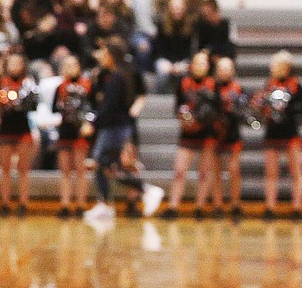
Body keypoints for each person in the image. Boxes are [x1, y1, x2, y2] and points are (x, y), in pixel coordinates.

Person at [83, 38, 162, 222]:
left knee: (106, 166)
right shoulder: (112, 75)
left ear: (111, 55)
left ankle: (147, 189)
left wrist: (92, 124)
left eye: (103, 52)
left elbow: (108, 106)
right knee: (106, 166)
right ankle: (105, 204)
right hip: (114, 127)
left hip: (114, 128)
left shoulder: (117, 77)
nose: (100, 56)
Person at [164, 51, 220, 219]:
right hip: (187, 132)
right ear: (192, 65)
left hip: (207, 132)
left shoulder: (213, 84)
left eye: (204, 64)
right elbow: (177, 107)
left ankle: (199, 207)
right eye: (198, 63)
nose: (201, 67)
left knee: (204, 171)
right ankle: (173, 207)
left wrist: (205, 118)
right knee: (180, 171)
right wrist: (184, 119)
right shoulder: (184, 82)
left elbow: (217, 110)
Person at [37, 55, 94, 217]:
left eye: (73, 65)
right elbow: (55, 109)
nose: (70, 69)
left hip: (80, 131)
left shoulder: (87, 85)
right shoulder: (60, 87)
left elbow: (91, 108)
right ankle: (65, 205)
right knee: (65, 170)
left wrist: (87, 123)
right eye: (67, 66)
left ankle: (81, 205)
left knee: (80, 170)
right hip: (65, 130)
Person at [253, 51, 302, 220]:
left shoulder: (297, 85)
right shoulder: (269, 84)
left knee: (296, 170)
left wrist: (287, 111)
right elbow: (261, 106)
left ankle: (297, 208)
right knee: (271, 172)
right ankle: (270, 207)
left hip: (290, 132)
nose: (272, 68)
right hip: (272, 132)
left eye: (275, 64)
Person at [0, 51, 39, 216]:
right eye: (11, 63)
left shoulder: (29, 84)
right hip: (5, 129)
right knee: (5, 169)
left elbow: (33, 106)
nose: (15, 67)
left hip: (23, 128)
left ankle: (23, 204)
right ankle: (4, 204)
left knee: (23, 169)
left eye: (18, 63)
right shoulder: (1, 84)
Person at [208, 57, 245, 218]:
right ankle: (217, 204)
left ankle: (235, 204)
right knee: (215, 170)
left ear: (232, 71)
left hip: (232, 132)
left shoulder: (237, 88)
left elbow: (243, 111)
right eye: (221, 68)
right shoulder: (211, 88)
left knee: (234, 170)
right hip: (215, 132)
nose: (224, 72)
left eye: (227, 68)